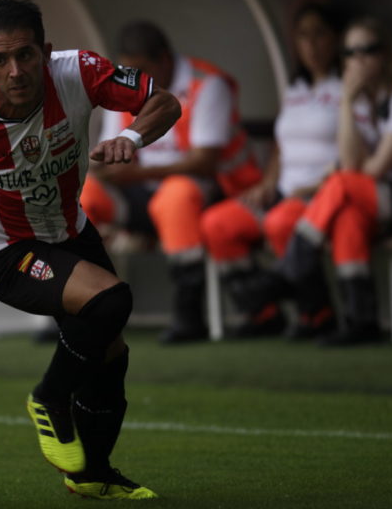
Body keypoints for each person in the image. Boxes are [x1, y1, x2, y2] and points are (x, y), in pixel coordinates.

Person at [0, 0, 181, 499]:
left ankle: (92, 475)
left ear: (46, 53)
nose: (15, 70)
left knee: (110, 353)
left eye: (26, 55)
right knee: (111, 299)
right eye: (0, 60)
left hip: (69, 231)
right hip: (5, 250)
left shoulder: (79, 73)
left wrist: (133, 139)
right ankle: (49, 400)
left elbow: (165, 102)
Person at [281, 16, 392, 345]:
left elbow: (372, 171)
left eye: (368, 50)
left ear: (386, 55)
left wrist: (341, 174)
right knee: (348, 216)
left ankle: (296, 259)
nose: (359, 60)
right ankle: (361, 321)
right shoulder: (363, 100)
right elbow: (352, 162)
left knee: (343, 185)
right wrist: (347, 102)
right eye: (349, 53)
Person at [79, 21, 261, 343]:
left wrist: (133, 174)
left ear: (163, 60)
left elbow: (204, 162)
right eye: (127, 69)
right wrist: (98, 163)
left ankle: (189, 314)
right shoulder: (124, 84)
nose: (132, 78)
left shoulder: (206, 83)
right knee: (85, 196)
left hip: (208, 190)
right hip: (141, 194)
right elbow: (110, 156)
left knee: (175, 196)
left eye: (141, 69)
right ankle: (80, 307)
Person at [200, 3, 344, 338]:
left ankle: (316, 313)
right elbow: (283, 147)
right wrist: (267, 182)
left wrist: (313, 187)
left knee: (283, 222)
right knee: (217, 224)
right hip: (283, 193)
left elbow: (359, 151)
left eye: (319, 34)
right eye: (303, 36)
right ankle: (261, 312)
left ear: (336, 39)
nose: (311, 45)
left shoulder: (348, 89)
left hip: (322, 196)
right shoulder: (296, 91)